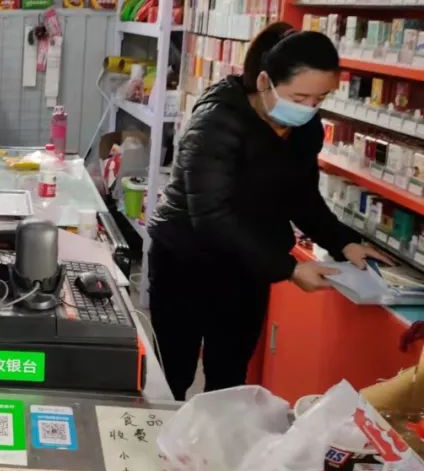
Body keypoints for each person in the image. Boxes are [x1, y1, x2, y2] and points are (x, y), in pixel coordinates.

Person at [147, 24, 391, 401]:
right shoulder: (215, 123)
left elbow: (301, 197)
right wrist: (290, 269)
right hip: (187, 261)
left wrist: (345, 243)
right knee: (172, 372)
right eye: (300, 96)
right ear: (264, 81)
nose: (309, 108)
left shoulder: (305, 129)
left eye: (319, 98)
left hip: (248, 266)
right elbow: (210, 215)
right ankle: (158, 451)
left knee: (228, 377)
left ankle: (216, 453)